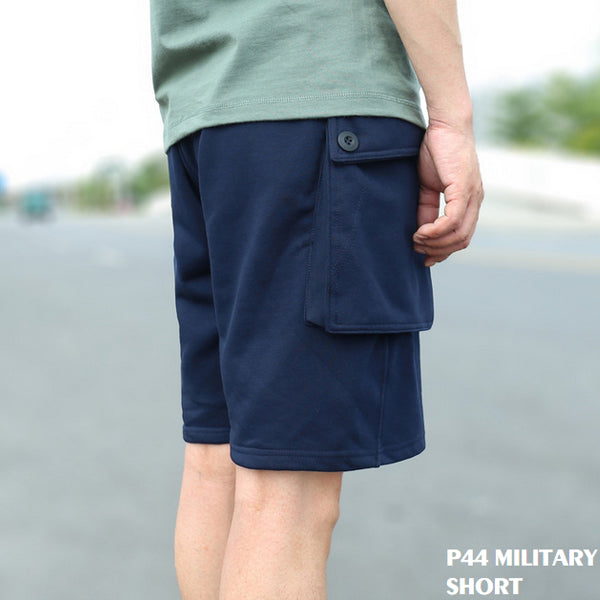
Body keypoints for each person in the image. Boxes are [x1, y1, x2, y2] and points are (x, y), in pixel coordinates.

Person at [149, 0, 484, 598]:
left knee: (217, 462)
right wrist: (452, 120)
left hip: (203, 121)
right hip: (319, 105)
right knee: (288, 490)